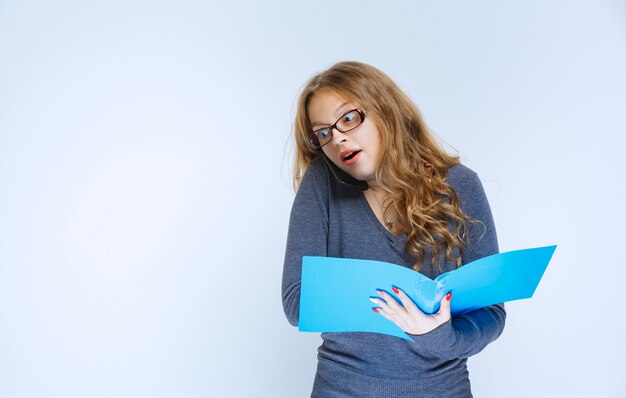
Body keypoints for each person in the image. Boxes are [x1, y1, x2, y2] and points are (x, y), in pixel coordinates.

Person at [281, 61, 506, 397]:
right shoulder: (321, 185)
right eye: (323, 133)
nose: (338, 137)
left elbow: (492, 313)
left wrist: (441, 335)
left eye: (348, 118)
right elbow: (297, 303)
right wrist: (399, 300)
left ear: (386, 110)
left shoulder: (460, 185)